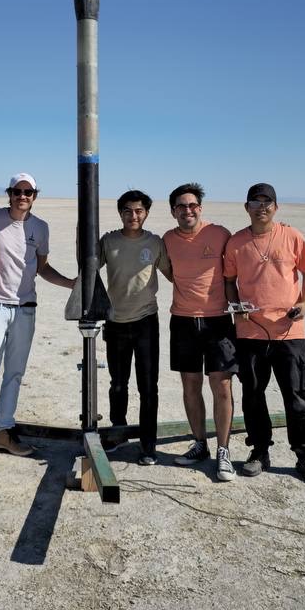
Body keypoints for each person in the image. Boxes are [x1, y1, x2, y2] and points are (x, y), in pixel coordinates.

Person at [0, 173, 75, 465]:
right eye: (17, 191)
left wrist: (71, 284)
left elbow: (42, 268)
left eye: (28, 192)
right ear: (9, 193)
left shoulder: (41, 228)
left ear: (35, 195)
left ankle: (4, 432)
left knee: (15, 373)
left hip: (26, 308)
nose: (22, 196)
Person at [223, 182, 305, 483]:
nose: (262, 207)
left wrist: (304, 303)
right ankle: (259, 451)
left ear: (276, 207)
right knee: (253, 394)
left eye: (268, 202)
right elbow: (230, 280)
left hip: (288, 332)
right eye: (255, 201)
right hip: (250, 332)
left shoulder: (292, 236)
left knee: (296, 394)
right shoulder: (237, 242)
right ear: (247, 207)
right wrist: (234, 304)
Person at [162, 183, 239, 482]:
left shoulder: (219, 234)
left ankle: (223, 451)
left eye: (192, 205)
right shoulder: (168, 240)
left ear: (200, 208)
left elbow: (235, 268)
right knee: (190, 385)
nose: (187, 210)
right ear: (173, 211)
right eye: (181, 206)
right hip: (182, 321)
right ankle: (199, 444)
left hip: (218, 321)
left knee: (221, 387)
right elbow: (169, 271)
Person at [98, 190, 172, 465]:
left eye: (139, 211)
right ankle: (118, 433)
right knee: (118, 384)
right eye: (128, 210)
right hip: (116, 322)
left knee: (148, 386)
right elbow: (88, 264)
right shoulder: (109, 241)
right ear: (120, 213)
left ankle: (148, 444)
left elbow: (174, 274)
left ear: (146, 213)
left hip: (145, 323)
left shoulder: (154, 243)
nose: (133, 216)